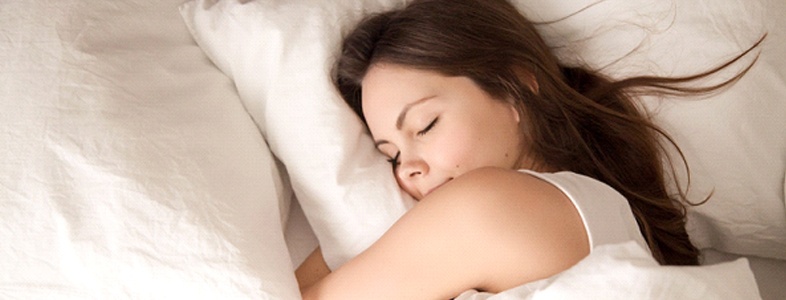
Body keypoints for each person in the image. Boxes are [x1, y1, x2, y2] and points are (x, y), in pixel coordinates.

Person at [295, 0, 763, 298]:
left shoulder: (489, 205)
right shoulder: (593, 211)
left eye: (425, 124)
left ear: (517, 89)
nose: (407, 170)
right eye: (389, 154)